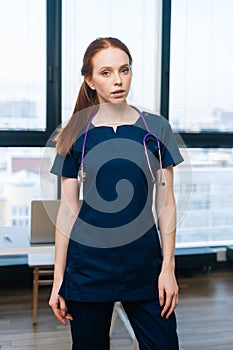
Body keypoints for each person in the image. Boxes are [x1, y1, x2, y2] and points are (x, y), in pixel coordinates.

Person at [49, 37, 183, 350]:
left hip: (145, 266)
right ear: (90, 80)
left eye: (124, 70)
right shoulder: (75, 134)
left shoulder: (156, 129)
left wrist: (168, 268)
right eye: (106, 72)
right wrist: (59, 280)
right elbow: (68, 210)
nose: (118, 80)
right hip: (88, 267)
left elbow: (166, 202)